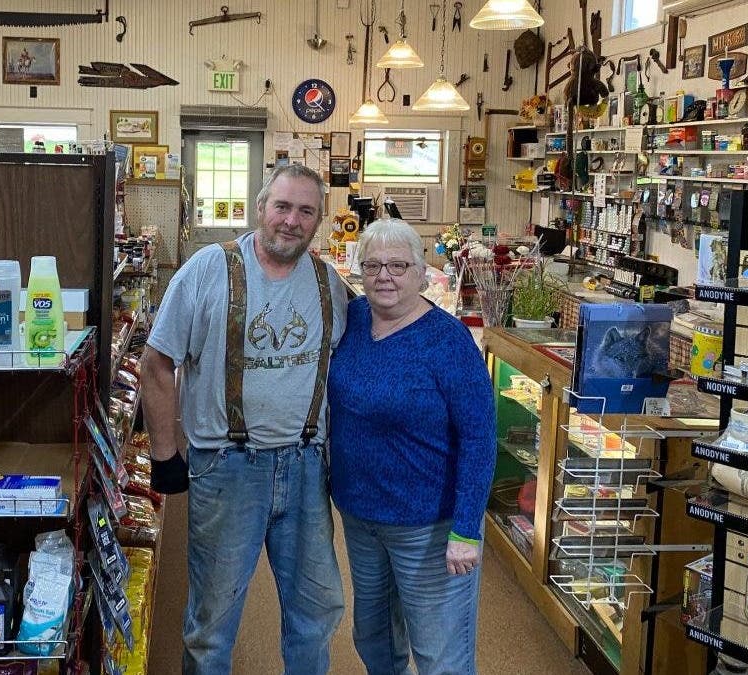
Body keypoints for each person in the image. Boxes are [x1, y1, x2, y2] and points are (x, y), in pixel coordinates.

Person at [141, 164, 348, 674]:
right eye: (282, 206)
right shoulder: (208, 269)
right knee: (212, 623)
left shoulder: (330, 285)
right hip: (227, 469)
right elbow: (155, 363)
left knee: (315, 613)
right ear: (261, 208)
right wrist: (165, 455)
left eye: (306, 211)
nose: (291, 220)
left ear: (319, 220)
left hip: (305, 469)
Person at [328, 218, 496, 675]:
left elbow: (479, 439)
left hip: (430, 527)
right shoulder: (355, 319)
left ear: (422, 274)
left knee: (439, 652)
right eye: (374, 265)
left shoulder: (448, 341)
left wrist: (466, 529)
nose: (385, 275)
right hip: (362, 520)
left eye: (399, 265)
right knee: (374, 639)